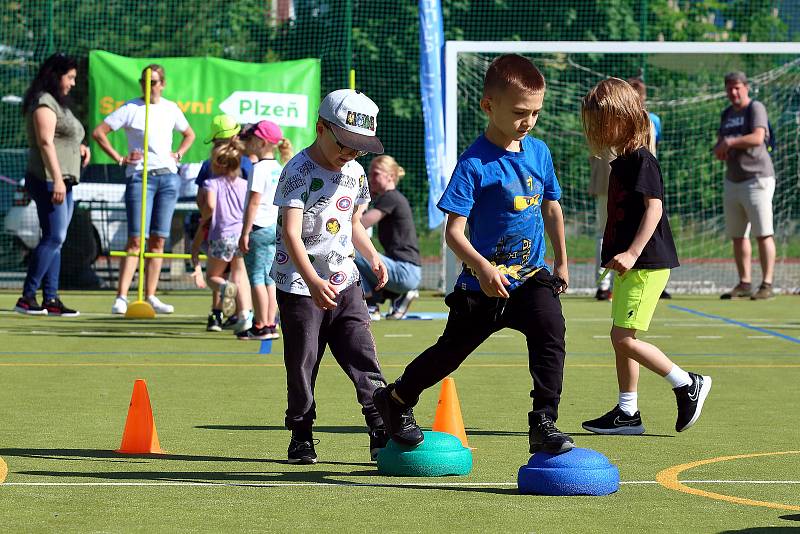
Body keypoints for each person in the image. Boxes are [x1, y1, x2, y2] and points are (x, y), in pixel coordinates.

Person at [372, 54, 574, 455]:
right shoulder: (473, 164)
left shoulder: (540, 153)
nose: (528, 121)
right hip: (481, 286)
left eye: (535, 112)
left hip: (531, 276)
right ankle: (394, 399)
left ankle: (543, 422)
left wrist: (562, 260)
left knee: (551, 332)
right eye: (519, 112)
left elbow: (552, 207)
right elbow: (454, 232)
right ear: (488, 105)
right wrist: (482, 268)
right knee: (449, 353)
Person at [580, 78, 712, 435]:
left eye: (603, 122)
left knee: (623, 338)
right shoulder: (621, 162)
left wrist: (632, 251)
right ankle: (628, 412)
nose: (597, 130)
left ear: (625, 117)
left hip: (646, 263)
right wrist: (615, 253)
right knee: (621, 335)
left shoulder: (642, 160)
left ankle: (687, 384)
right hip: (629, 264)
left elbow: (654, 209)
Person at [272, 89, 390, 464]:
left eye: (359, 149)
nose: (351, 154)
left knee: (363, 355)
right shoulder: (298, 171)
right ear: (321, 128)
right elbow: (291, 233)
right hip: (299, 286)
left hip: (345, 282)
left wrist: (372, 255)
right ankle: (301, 434)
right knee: (303, 362)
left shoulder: (355, 173)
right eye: (344, 145)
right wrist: (311, 281)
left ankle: (380, 428)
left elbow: (353, 222)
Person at [92, 64, 195, 315]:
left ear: (162, 84)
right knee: (136, 239)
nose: (149, 86)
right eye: (145, 81)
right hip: (141, 177)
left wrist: (178, 153)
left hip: (168, 178)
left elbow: (189, 134)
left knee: (159, 239)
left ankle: (150, 295)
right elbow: (99, 132)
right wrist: (119, 158)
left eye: (154, 81)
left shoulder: (171, 108)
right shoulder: (130, 108)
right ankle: (122, 297)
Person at [14, 53, 89, 316]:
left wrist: (79, 148)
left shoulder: (60, 104)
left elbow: (62, 137)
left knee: (56, 239)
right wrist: (57, 178)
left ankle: (51, 298)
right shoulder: (44, 103)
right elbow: (45, 142)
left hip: (65, 180)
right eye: (70, 77)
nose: (73, 83)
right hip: (48, 180)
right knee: (55, 237)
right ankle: (26, 297)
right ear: (56, 76)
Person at [714, 71, 776, 300]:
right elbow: (722, 141)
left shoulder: (755, 108)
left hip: (757, 177)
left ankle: (767, 284)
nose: (733, 92)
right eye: (729, 88)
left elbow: (758, 137)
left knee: (763, 233)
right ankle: (744, 283)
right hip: (733, 179)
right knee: (738, 236)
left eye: (737, 87)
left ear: (746, 87)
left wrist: (730, 142)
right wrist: (720, 148)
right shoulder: (727, 114)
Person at [195, 114, 254, 331]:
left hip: (218, 228)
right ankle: (244, 315)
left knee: (217, 275)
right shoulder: (247, 164)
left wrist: (206, 219)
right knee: (239, 275)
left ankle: (218, 313)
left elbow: (202, 200)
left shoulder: (210, 167)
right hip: (242, 228)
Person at [236, 120, 293, 340]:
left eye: (250, 140)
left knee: (257, 278)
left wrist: (244, 232)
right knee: (270, 278)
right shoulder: (278, 168)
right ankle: (270, 323)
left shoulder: (258, 168)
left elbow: (253, 202)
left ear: (260, 143)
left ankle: (260, 324)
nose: (247, 144)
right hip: (274, 227)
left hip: (258, 228)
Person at [356, 155, 421, 320]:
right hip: (406, 270)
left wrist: (362, 202)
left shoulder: (390, 197)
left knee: (350, 250)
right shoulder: (390, 198)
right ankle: (397, 296)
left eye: (375, 174)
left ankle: (370, 304)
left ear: (390, 176)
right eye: (369, 175)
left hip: (405, 271)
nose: (371, 179)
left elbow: (359, 225)